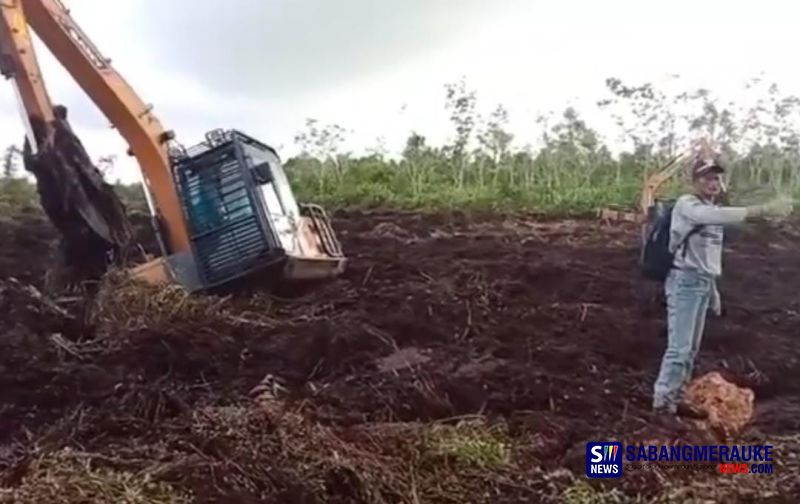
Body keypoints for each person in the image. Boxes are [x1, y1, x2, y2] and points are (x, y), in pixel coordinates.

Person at [651, 158, 794, 418]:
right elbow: (709, 216)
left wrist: (713, 289)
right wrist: (759, 209)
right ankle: (662, 401)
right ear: (695, 181)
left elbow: (711, 255)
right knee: (679, 348)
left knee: (691, 348)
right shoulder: (688, 205)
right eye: (706, 177)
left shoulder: (712, 210)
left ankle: (677, 395)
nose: (713, 182)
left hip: (702, 283)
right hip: (684, 281)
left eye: (716, 178)